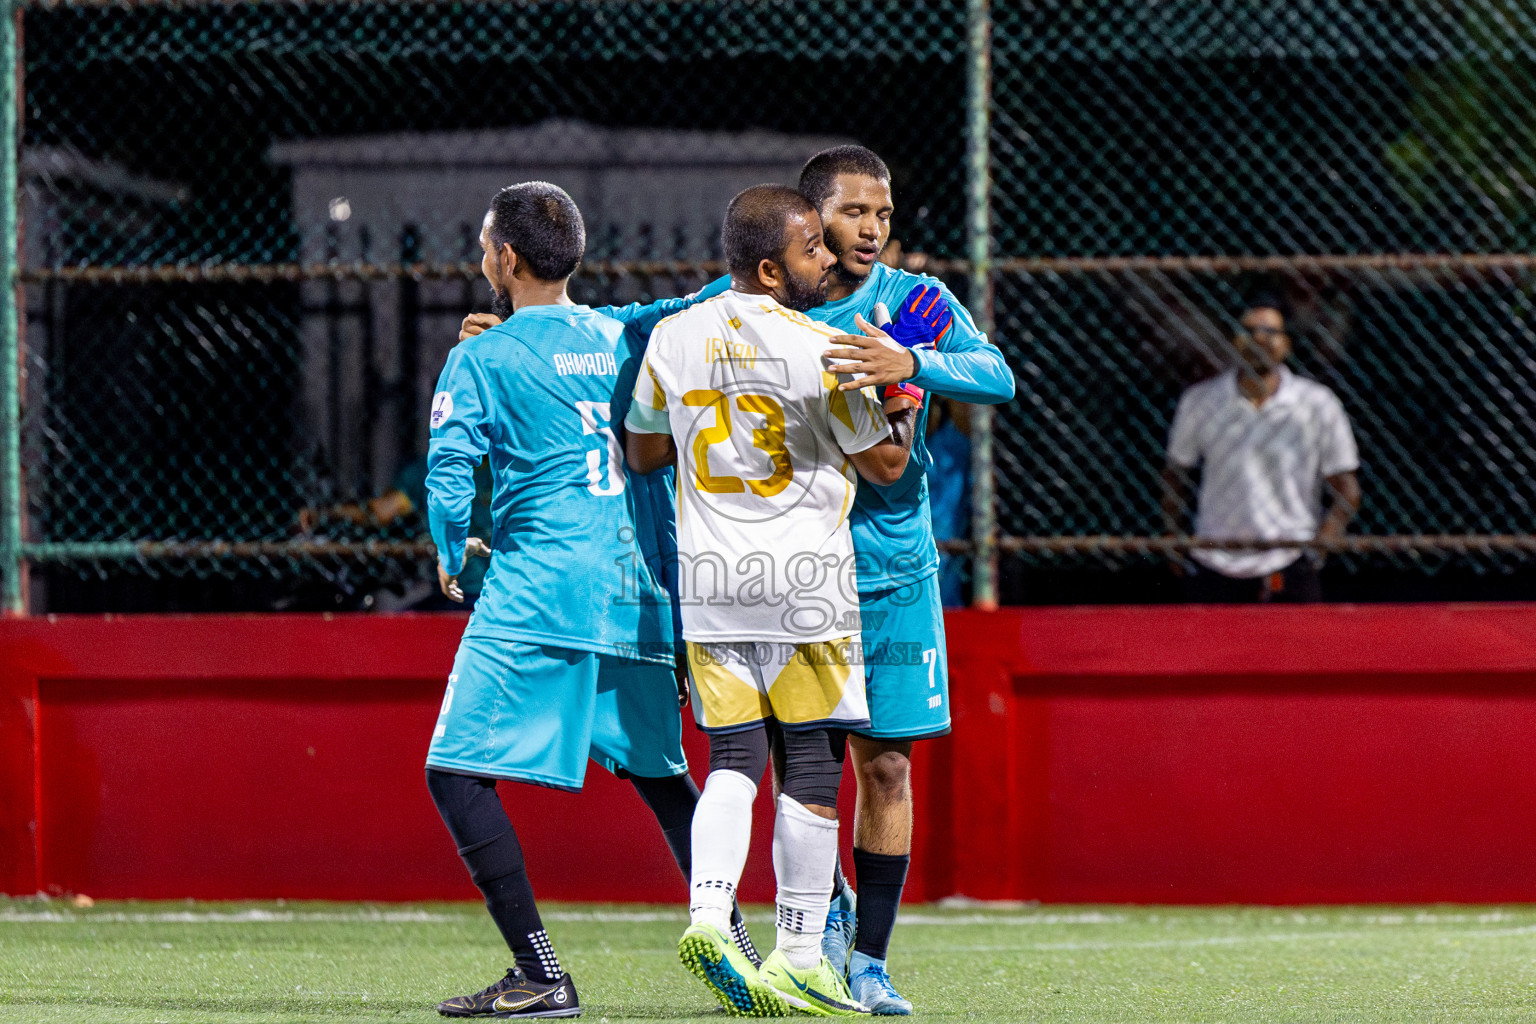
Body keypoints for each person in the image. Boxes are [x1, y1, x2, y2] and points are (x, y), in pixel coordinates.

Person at [424, 181, 740, 1020]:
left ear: (506, 258)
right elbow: (693, 307)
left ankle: (540, 972)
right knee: (664, 778)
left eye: (487, 242)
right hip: (636, 592)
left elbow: (450, 475)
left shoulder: (479, 356)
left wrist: (453, 554)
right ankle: (738, 945)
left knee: (455, 772)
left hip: (540, 593)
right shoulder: (620, 333)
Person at [626, 184, 909, 1017]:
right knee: (815, 769)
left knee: (736, 761)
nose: (828, 259)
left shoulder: (675, 337)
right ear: (769, 267)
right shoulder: (822, 346)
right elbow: (885, 466)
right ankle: (795, 956)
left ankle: (710, 912)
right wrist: (897, 397)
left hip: (711, 581)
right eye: (813, 249)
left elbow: (643, 451)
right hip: (804, 584)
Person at [792, 146, 1015, 1015]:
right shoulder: (770, 295)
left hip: (891, 571)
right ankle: (826, 908)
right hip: (795, 568)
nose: (873, 230)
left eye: (883, 215)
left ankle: (871, 962)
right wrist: (529, 321)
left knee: (885, 768)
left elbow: (995, 373)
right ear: (813, 218)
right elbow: (651, 321)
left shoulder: (913, 302)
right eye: (855, 213)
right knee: (799, 766)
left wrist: (912, 364)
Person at [1161, 295, 1362, 603]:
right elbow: (1176, 475)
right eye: (1249, 330)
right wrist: (1174, 539)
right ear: (1234, 340)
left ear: (1287, 343)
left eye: (1271, 332)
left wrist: (1317, 550)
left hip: (1288, 559)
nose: (1259, 340)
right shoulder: (1200, 401)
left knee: (1295, 651)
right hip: (1215, 560)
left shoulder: (1317, 404)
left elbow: (1346, 489)